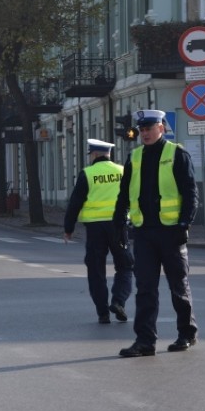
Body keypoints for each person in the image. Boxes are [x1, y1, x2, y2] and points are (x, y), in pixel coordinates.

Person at [113, 109, 199, 357]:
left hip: (171, 233)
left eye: (150, 129)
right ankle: (145, 341)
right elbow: (124, 195)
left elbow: (191, 192)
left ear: (161, 128)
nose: (145, 134)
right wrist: (119, 223)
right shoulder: (134, 157)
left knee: (178, 286)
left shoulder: (177, 154)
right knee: (145, 289)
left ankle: (186, 333)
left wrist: (185, 224)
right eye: (142, 130)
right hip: (144, 234)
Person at [63, 139, 134, 324]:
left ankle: (103, 312)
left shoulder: (87, 173)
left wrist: (68, 228)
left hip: (95, 228)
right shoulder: (122, 171)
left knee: (96, 270)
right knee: (125, 266)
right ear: (109, 154)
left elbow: (75, 202)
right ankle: (118, 301)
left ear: (94, 154)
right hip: (119, 226)